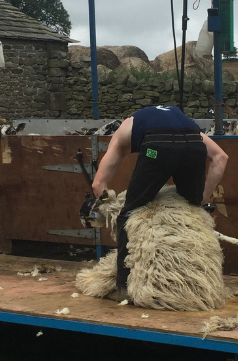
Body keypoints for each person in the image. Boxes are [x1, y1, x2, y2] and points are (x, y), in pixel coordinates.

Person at [90, 105, 228, 302]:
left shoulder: (124, 130)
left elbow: (98, 185)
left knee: (127, 216)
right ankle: (199, 279)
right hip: (193, 146)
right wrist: (203, 197)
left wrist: (108, 203)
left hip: (156, 148)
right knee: (193, 210)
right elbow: (221, 157)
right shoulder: (184, 124)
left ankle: (123, 287)